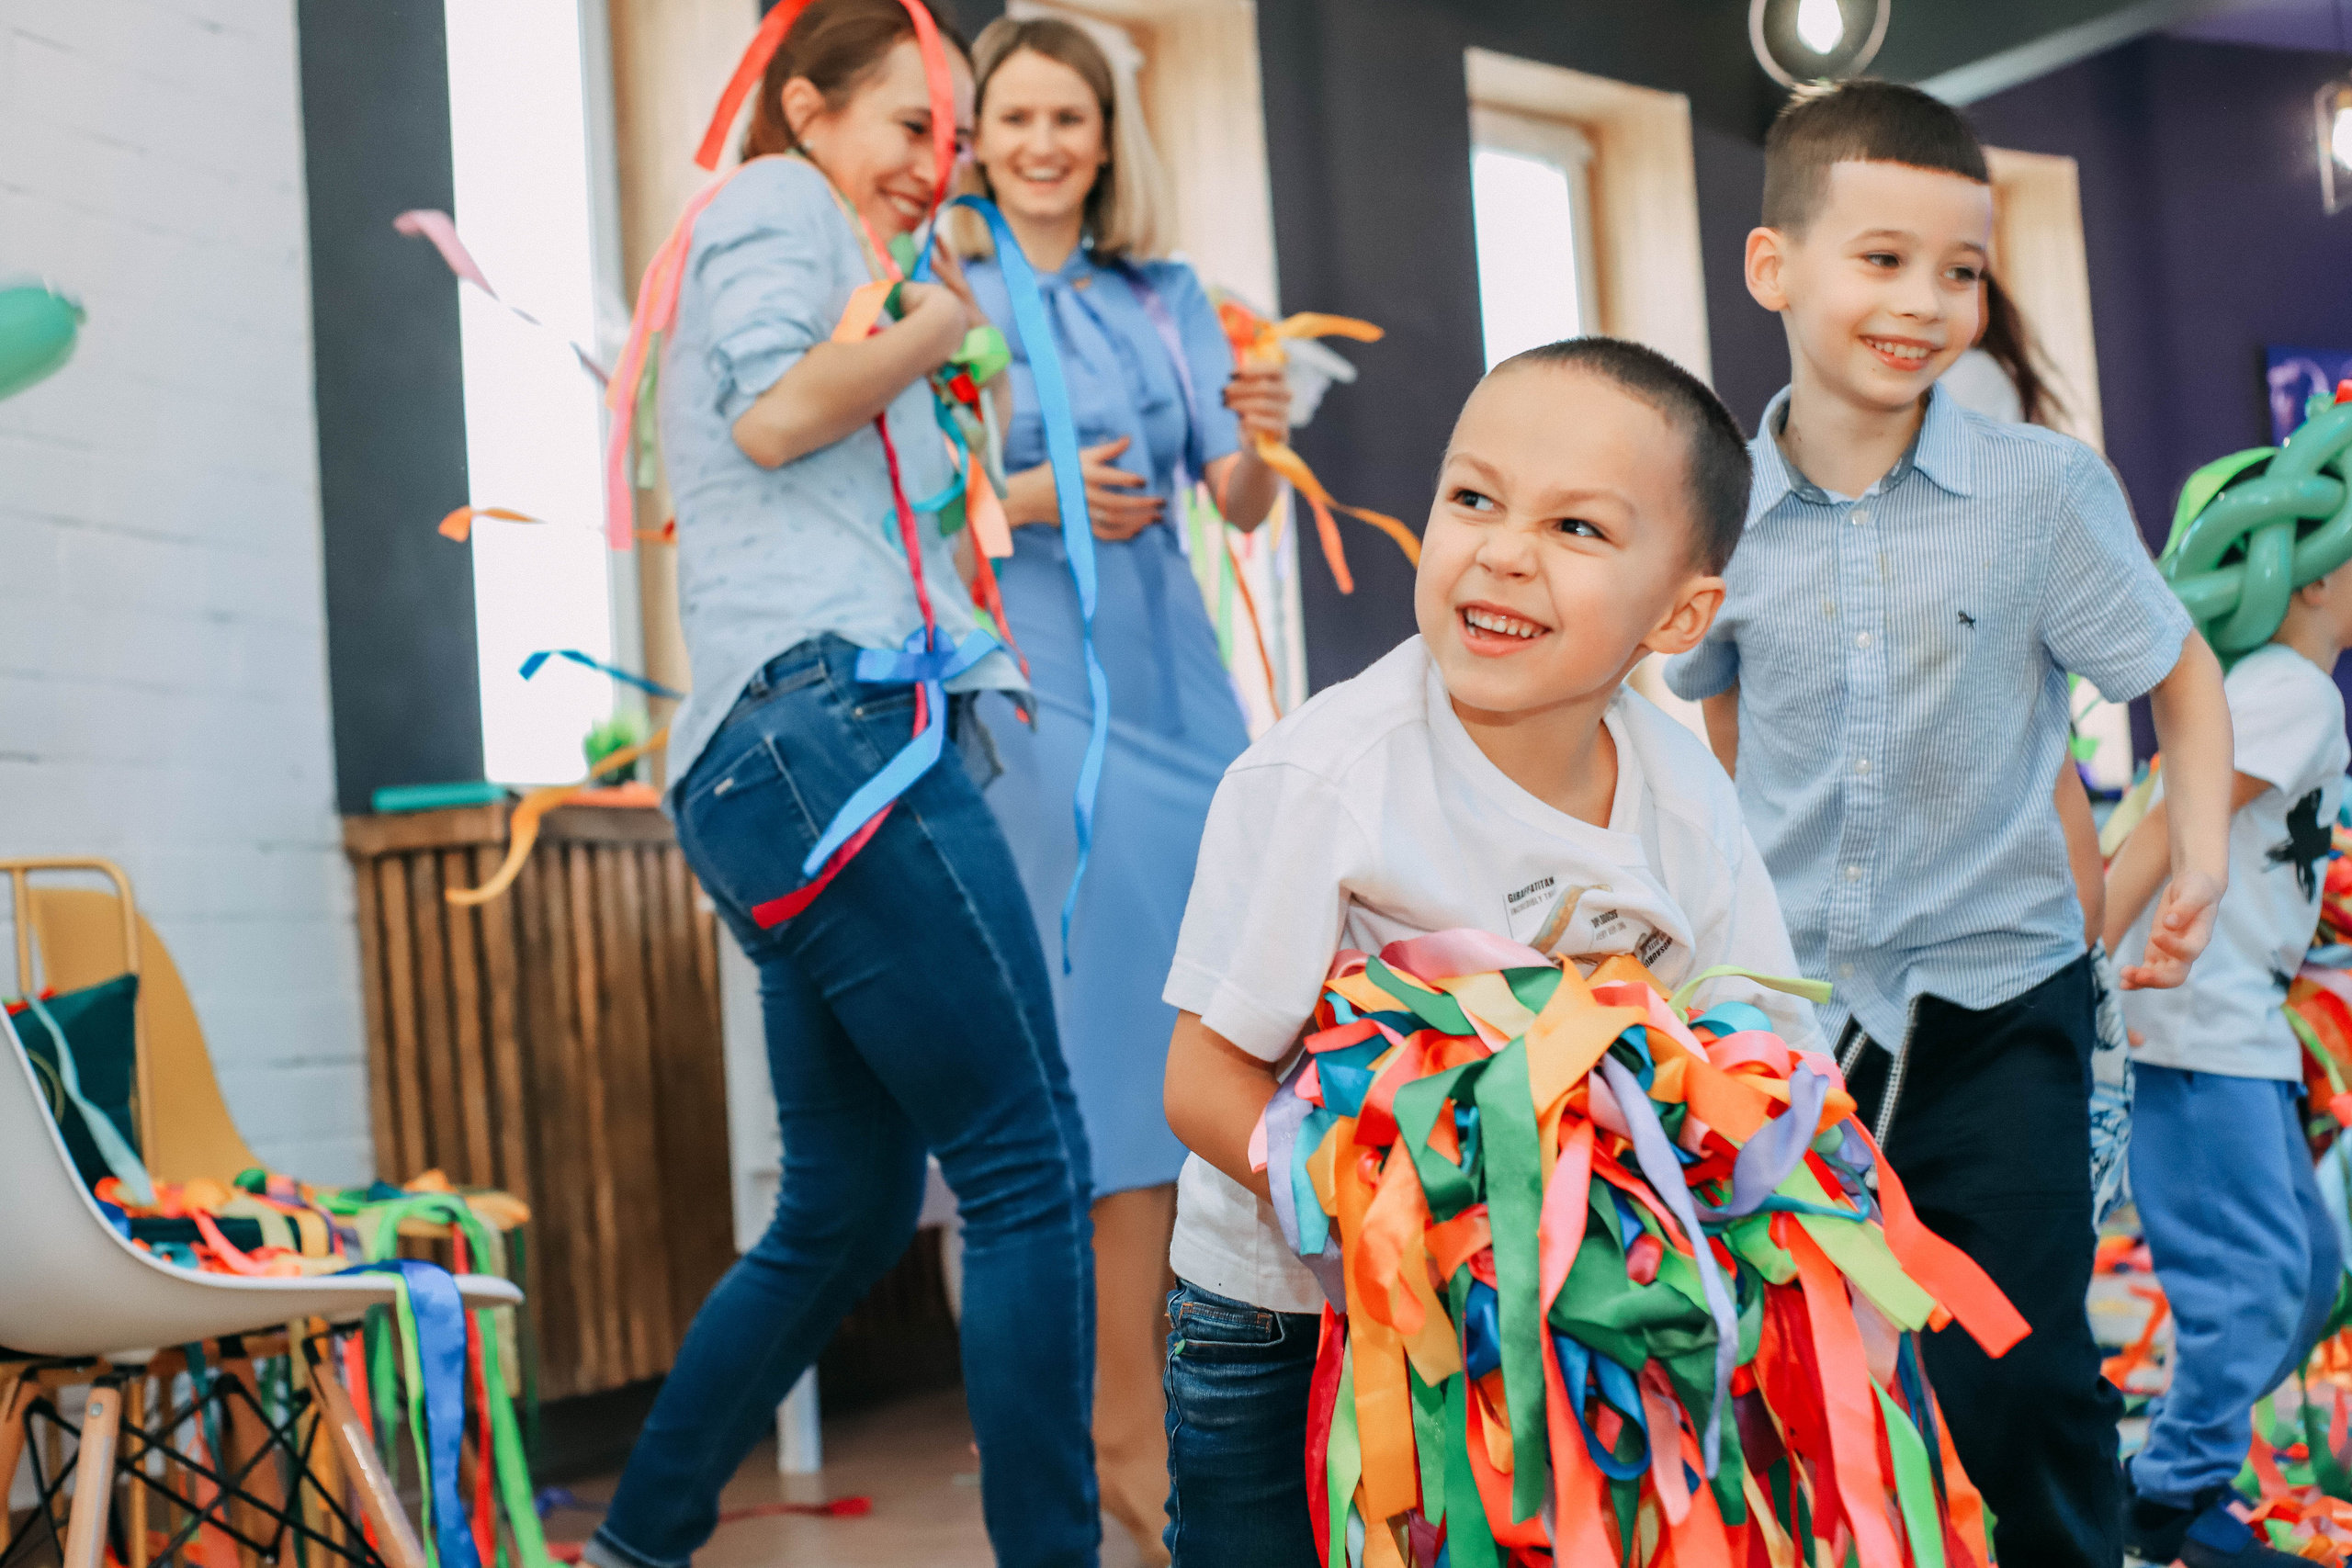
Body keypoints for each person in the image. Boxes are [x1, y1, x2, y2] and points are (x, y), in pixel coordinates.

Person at [1665, 80, 2234, 1566]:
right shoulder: (1716, 507)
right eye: (1884, 258)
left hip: (2001, 1003)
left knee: (2018, 1370)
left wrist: (2198, 851)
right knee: (1802, 1362)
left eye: (1960, 269)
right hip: (1787, 1019)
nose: (1925, 300)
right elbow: (1719, 724)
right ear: (1774, 266)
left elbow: (2178, 672)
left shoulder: (2041, 493)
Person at [1158, 337, 1820, 1567]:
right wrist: (1421, 1232)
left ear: (1678, 615)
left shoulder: (1682, 794)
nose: (1505, 549)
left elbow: (1763, 1054)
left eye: (1576, 527)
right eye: (1473, 497)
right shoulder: (1325, 779)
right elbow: (1202, 1082)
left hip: (1556, 1324)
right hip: (1288, 1326)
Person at [582, 6, 1102, 1567]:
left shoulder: (859, 266)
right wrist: (941, 328)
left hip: (768, 766)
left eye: (954, 144)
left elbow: (874, 484)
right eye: (911, 128)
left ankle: (634, 1539)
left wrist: (940, 358)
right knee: (1027, 1161)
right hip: (832, 730)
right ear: (805, 109)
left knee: (851, 1206)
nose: (939, 166)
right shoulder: (773, 201)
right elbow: (772, 413)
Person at [954, 18, 1289, 1560]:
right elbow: (903, 503)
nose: (1041, 144)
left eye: (1067, 117)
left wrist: (1266, 438)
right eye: (1014, 116)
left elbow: (1242, 501)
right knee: (1094, 1077)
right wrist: (1034, 495)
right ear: (975, 132)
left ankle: (1195, 1425)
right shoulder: (941, 293)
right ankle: (1112, 1445)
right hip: (1033, 709)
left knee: (1214, 1037)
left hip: (1181, 703)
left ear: (1106, 137)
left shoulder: (1165, 297)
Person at [2104, 566, 2352, 1567]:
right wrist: (2089, 957)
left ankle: (2177, 1468)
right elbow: (2169, 819)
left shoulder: (2278, 686)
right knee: (2254, 1280)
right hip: (2198, 1018)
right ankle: (2171, 1492)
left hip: (2235, 1017)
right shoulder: (2289, 688)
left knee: (2307, 1267)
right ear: (2318, 575)